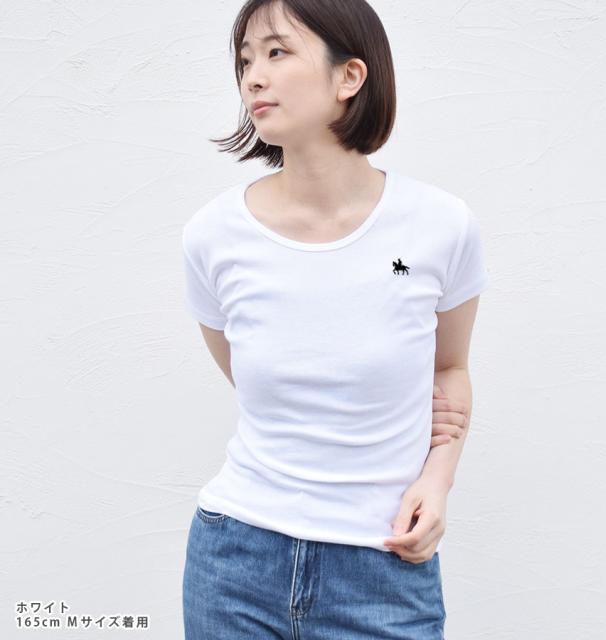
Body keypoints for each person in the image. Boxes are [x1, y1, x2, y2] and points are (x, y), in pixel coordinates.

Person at [181, 1, 490, 638]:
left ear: (349, 76)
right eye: (245, 60)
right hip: (235, 561)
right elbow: (251, 381)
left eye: (277, 52)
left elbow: (449, 370)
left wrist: (437, 483)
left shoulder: (440, 226)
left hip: (384, 566)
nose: (253, 77)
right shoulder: (213, 236)